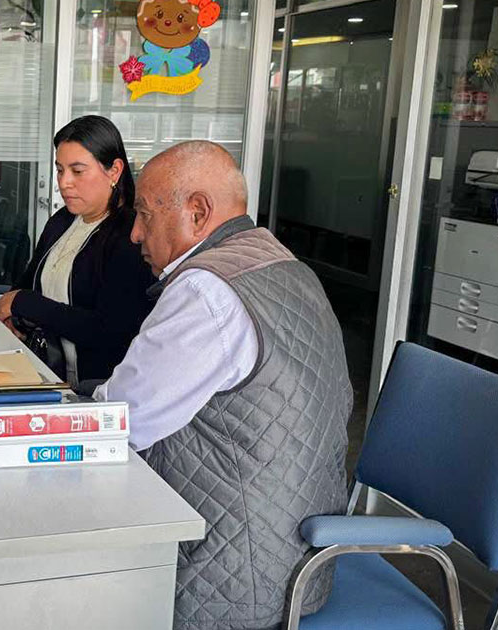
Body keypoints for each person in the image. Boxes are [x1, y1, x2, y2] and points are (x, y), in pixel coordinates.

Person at [96, 141, 351, 629]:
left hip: (233, 578)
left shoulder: (207, 290)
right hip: (302, 554)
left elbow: (118, 423)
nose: (134, 233)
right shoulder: (284, 264)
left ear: (197, 212)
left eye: (145, 215)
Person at [0, 115, 154, 388]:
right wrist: (14, 313)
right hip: (45, 373)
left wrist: (25, 303)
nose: (64, 182)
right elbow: (27, 283)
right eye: (60, 170)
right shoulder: (63, 220)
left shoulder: (130, 235)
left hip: (98, 389)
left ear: (114, 171)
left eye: (77, 171)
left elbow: (109, 330)